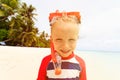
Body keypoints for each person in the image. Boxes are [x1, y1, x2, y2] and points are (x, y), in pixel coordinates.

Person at [37, 10, 87, 80]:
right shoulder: (46, 61)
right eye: (59, 39)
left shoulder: (80, 63)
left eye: (71, 40)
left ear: (77, 39)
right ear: (52, 39)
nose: (65, 46)